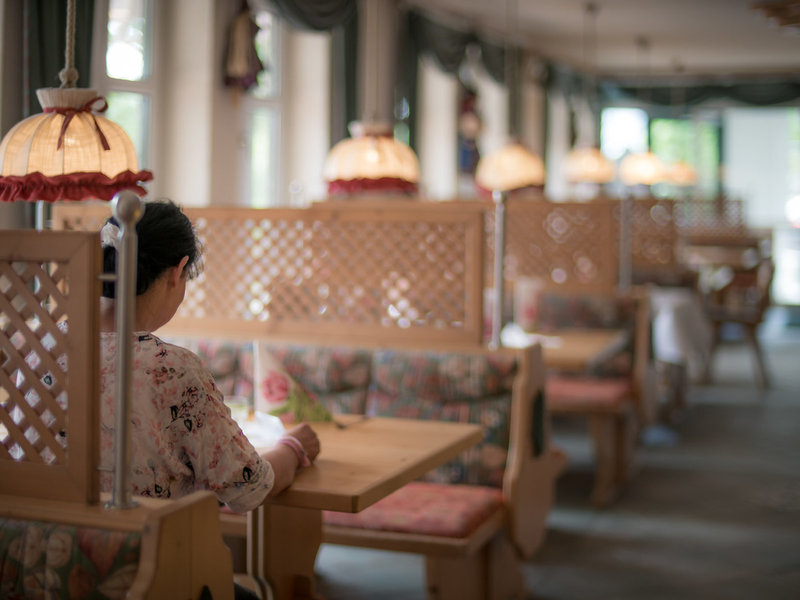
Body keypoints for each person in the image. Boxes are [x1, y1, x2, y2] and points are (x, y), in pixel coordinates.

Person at [98, 199, 320, 515]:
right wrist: (293, 447)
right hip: (142, 538)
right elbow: (248, 487)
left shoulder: (43, 349)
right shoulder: (172, 369)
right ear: (177, 271)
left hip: (42, 536)